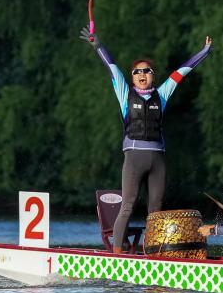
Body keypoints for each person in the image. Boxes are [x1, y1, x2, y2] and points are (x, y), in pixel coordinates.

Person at [81, 27, 212, 254]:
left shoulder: (162, 94)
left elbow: (182, 71)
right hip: (134, 158)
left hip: (158, 160)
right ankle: (117, 254)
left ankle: (153, 254)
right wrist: (98, 45)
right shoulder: (124, 93)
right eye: (137, 72)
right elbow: (111, 67)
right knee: (127, 206)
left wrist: (204, 51)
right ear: (132, 77)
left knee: (155, 211)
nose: (142, 74)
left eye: (147, 71)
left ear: (153, 76)